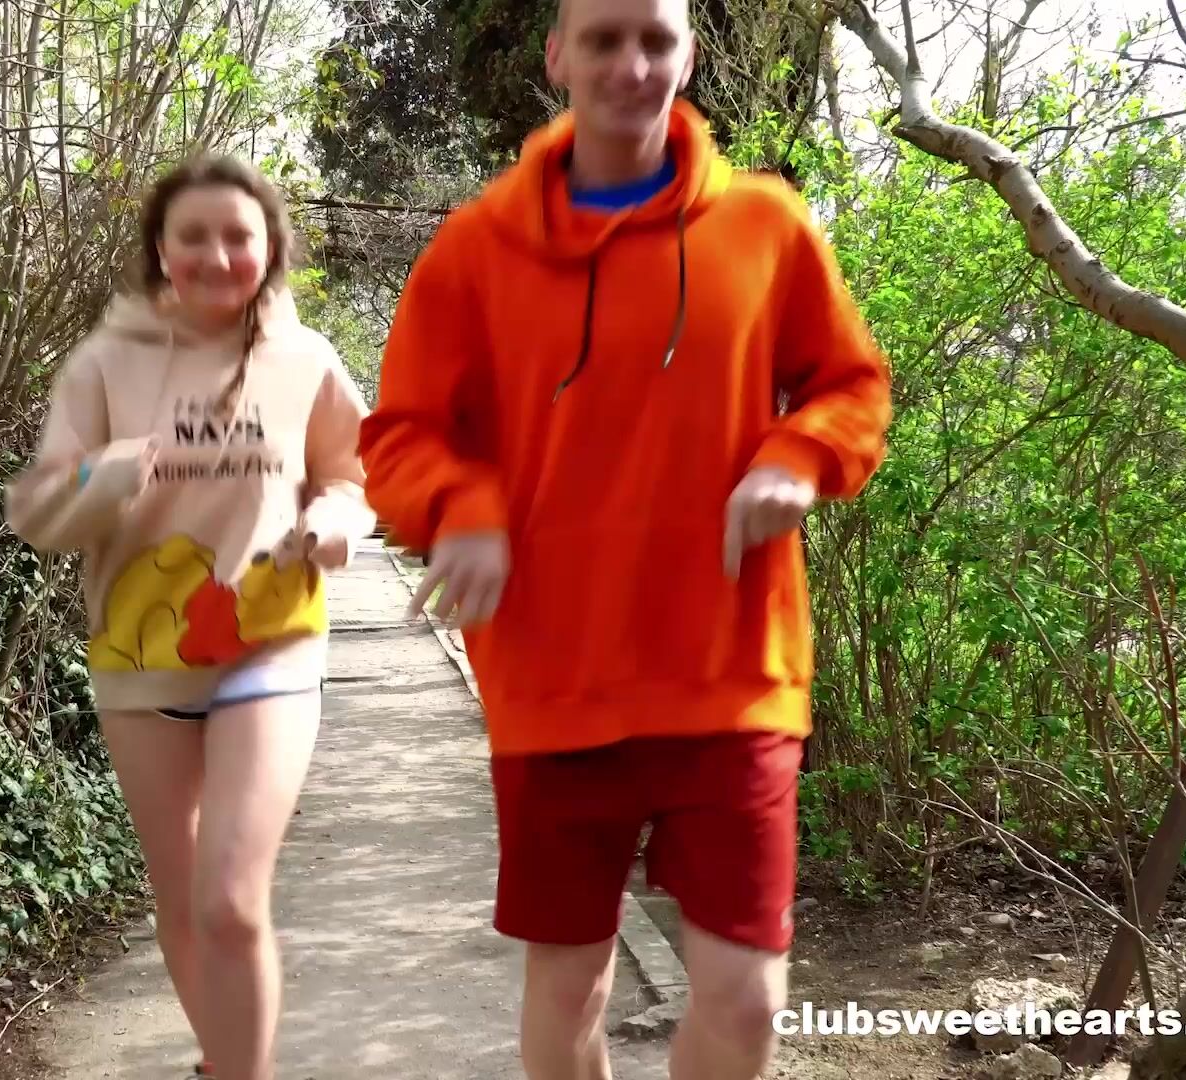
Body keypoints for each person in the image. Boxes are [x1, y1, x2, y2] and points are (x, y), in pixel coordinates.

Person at [356, 0, 893, 1077]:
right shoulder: (475, 249)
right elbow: (402, 435)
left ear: (688, 54)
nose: (632, 64)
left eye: (656, 39)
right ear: (558, 56)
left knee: (747, 1002)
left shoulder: (768, 226)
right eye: (604, 39)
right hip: (555, 681)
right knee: (571, 996)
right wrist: (462, 510)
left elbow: (851, 387)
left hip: (733, 671)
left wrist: (797, 458)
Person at [6, 155, 375, 1080]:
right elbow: (37, 511)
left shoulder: (305, 360)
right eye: (194, 237)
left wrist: (335, 520)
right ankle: (226, 1063)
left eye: (238, 236)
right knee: (180, 901)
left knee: (230, 899)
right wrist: (108, 472)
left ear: (270, 247)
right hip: (140, 657)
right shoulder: (104, 363)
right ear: (161, 251)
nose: (217, 256)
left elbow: (353, 473)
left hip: (271, 643)